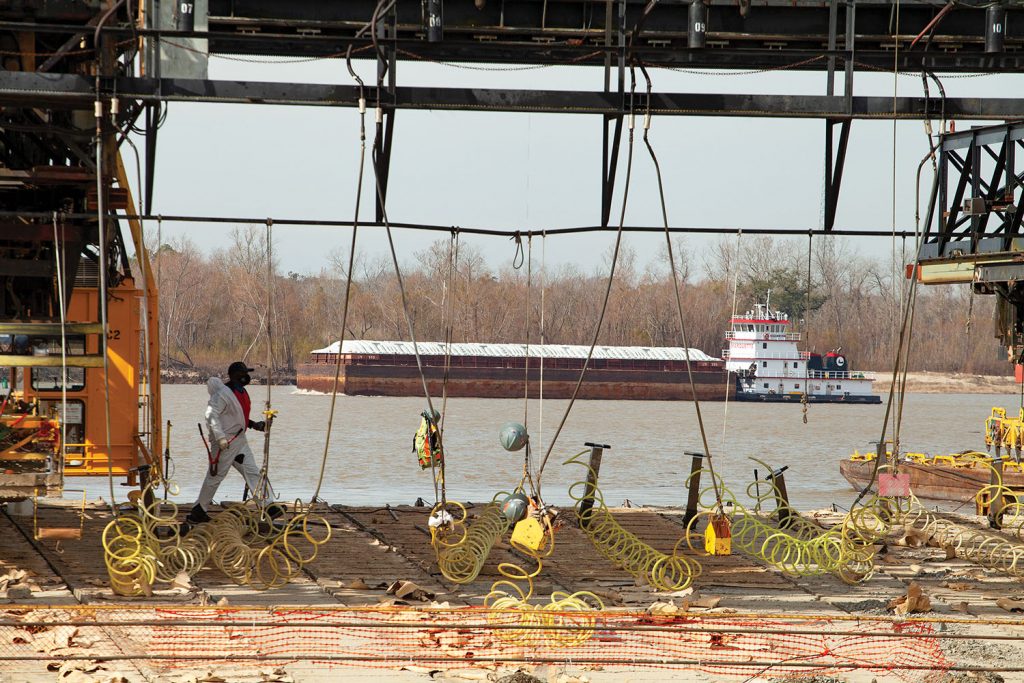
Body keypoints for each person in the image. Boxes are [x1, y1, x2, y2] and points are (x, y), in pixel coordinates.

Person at [185, 361, 269, 527]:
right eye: (244, 373)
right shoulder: (223, 393)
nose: (247, 376)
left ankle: (268, 505)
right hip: (226, 443)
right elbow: (211, 415)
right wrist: (220, 437)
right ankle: (198, 511)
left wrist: (254, 425)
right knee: (215, 477)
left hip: (239, 440)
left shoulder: (241, 392)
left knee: (252, 471)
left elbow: (236, 417)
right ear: (236, 375)